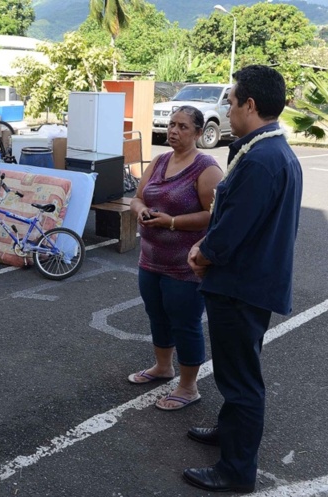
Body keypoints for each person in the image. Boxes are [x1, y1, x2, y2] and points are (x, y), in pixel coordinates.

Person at [184, 65, 302, 493]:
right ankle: (227, 434)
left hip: (240, 285)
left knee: (241, 381)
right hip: (250, 283)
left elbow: (234, 225)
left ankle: (236, 471)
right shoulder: (268, 150)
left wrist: (202, 253)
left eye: (231, 102)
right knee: (237, 370)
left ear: (250, 105)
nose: (227, 109)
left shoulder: (263, 159)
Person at [127, 106, 223, 411]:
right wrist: (141, 211)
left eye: (182, 126)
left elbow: (215, 216)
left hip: (186, 264)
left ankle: (188, 386)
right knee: (157, 315)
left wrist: (171, 222)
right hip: (150, 259)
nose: (173, 131)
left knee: (185, 323)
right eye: (171, 125)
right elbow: (138, 197)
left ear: (197, 132)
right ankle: (163, 367)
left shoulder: (206, 168)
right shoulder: (159, 161)